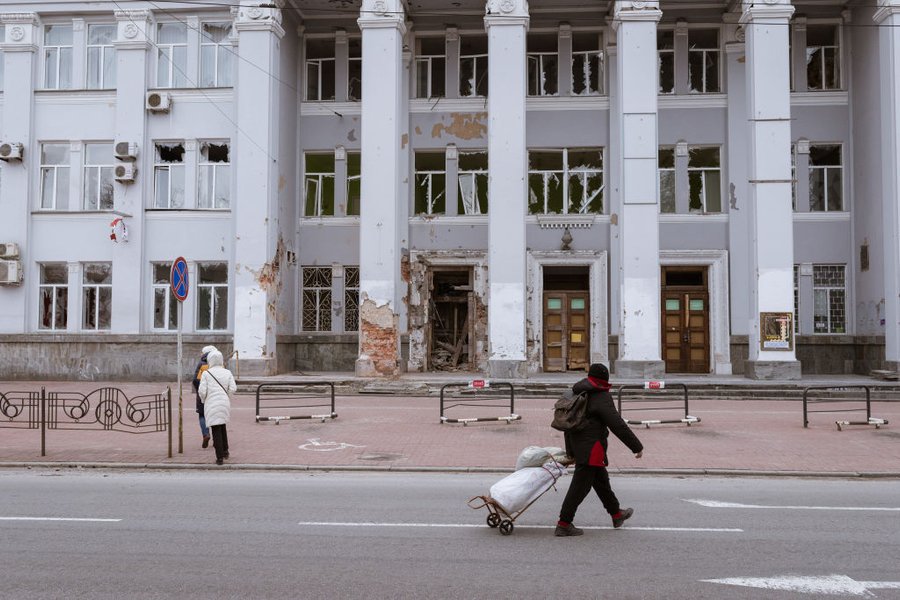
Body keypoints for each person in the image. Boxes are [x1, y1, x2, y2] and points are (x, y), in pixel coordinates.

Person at [555, 363, 644, 537]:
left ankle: (616, 515)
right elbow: (617, 424)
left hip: (581, 446)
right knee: (580, 487)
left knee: (601, 482)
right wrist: (636, 446)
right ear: (605, 378)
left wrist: (571, 450)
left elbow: (568, 425)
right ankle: (564, 523)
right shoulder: (601, 396)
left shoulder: (578, 390)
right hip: (592, 449)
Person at [197, 348, 236, 465]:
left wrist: (204, 400)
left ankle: (219, 457)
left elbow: (202, 391)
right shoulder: (227, 372)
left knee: (215, 429)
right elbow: (233, 388)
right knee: (222, 426)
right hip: (224, 402)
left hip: (211, 402)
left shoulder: (206, 373)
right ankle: (225, 451)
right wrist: (226, 397)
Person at [191, 345, 217, 449]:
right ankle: (217, 439)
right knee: (216, 417)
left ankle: (206, 434)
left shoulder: (201, 364)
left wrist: (199, 390)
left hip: (202, 394)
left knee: (202, 415)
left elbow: (195, 380)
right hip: (215, 394)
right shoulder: (219, 364)